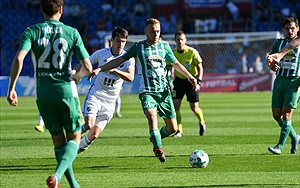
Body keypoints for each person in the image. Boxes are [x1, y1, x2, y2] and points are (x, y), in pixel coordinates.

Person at [6, 1, 93, 187]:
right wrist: (77, 77)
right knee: (75, 138)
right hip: (66, 91)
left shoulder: (32, 31)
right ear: (61, 10)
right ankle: (57, 175)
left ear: (41, 10)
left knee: (58, 141)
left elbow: (19, 58)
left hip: (43, 94)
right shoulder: (72, 32)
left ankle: (73, 184)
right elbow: (87, 67)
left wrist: (11, 88)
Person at [93, 18, 200, 162]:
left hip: (163, 92)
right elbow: (119, 60)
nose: (156, 34)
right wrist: (100, 68)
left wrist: (189, 76)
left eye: (158, 31)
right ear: (145, 32)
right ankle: (159, 148)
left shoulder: (164, 46)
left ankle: (155, 137)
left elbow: (175, 63)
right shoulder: (139, 47)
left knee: (172, 128)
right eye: (152, 31)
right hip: (147, 92)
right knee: (152, 117)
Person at [78, 27, 135, 153]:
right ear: (111, 40)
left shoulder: (128, 58)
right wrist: (74, 74)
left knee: (94, 135)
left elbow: (130, 77)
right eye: (118, 41)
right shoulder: (101, 53)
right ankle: (73, 138)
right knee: (88, 124)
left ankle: (73, 152)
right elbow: (85, 63)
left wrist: (115, 70)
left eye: (123, 41)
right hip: (96, 95)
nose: (121, 44)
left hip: (110, 102)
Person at [266, 17, 300, 155]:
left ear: (298, 28)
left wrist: (279, 56)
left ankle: (279, 146)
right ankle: (295, 137)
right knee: (276, 115)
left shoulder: (298, 42)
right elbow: (271, 60)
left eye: (293, 28)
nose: (290, 31)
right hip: (280, 81)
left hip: (294, 81)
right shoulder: (278, 43)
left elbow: (293, 44)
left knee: (286, 114)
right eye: (287, 28)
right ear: (283, 29)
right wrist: (272, 64)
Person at [170, 31, 206, 138]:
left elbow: (200, 67)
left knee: (194, 108)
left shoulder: (192, 52)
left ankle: (202, 122)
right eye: (178, 39)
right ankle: (179, 130)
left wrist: (198, 82)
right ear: (175, 40)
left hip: (191, 82)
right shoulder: (172, 53)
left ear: (185, 40)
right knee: (176, 106)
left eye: (182, 39)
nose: (180, 41)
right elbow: (169, 67)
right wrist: (169, 79)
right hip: (179, 81)